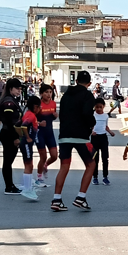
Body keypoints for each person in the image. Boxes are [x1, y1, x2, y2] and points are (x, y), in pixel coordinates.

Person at [51, 71, 98, 212]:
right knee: (91, 164)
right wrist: (92, 123)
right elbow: (86, 113)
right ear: (89, 83)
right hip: (81, 137)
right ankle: (81, 197)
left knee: (64, 167)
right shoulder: (88, 95)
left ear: (76, 80)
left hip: (65, 135)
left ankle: (56, 199)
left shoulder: (66, 95)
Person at [0, 77, 26, 195]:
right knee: (8, 161)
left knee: (9, 161)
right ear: (10, 88)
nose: (19, 91)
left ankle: (10, 185)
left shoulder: (11, 99)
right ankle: (9, 187)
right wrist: (15, 137)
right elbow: (9, 121)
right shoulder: (8, 102)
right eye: (17, 88)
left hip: (10, 134)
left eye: (20, 89)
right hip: (9, 134)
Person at [34, 84, 59, 188]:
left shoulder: (53, 104)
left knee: (54, 156)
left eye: (50, 92)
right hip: (39, 133)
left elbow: (50, 118)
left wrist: (55, 116)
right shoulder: (38, 105)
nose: (49, 94)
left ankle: (45, 165)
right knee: (43, 156)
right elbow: (30, 118)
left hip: (49, 133)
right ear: (41, 94)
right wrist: (39, 123)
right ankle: (39, 178)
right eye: (46, 92)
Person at [18, 95, 42, 201]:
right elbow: (23, 126)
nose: (40, 109)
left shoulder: (29, 115)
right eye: (39, 106)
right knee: (29, 165)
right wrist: (27, 137)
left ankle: (27, 185)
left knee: (28, 165)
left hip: (26, 143)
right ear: (35, 106)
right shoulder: (30, 115)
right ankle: (27, 190)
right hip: (27, 144)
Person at [90, 97, 115, 187]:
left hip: (103, 137)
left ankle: (105, 177)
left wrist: (110, 132)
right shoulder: (93, 115)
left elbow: (106, 126)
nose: (99, 109)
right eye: (97, 107)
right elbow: (90, 126)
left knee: (105, 158)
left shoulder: (105, 116)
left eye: (101, 107)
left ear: (103, 107)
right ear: (94, 107)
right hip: (95, 138)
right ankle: (95, 177)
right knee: (95, 158)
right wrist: (92, 132)